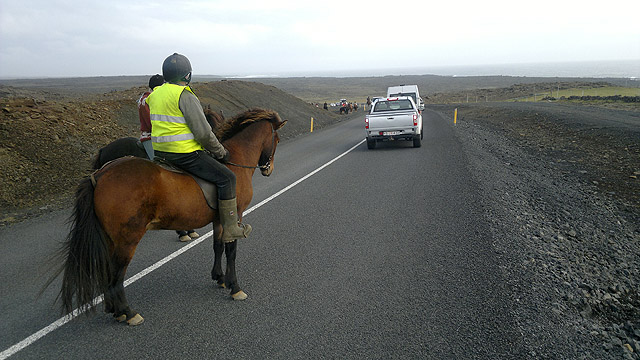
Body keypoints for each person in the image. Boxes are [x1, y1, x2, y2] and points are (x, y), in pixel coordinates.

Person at [147, 53, 251, 242]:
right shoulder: (184, 95)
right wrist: (221, 152)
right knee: (227, 177)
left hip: (161, 153)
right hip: (185, 154)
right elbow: (203, 133)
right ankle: (230, 228)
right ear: (187, 75)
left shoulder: (155, 95)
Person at [138, 74, 200, 243]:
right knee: (162, 175)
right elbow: (153, 123)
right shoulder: (147, 100)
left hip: (159, 137)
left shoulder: (152, 97)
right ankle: (179, 229)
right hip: (151, 139)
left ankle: (187, 225)